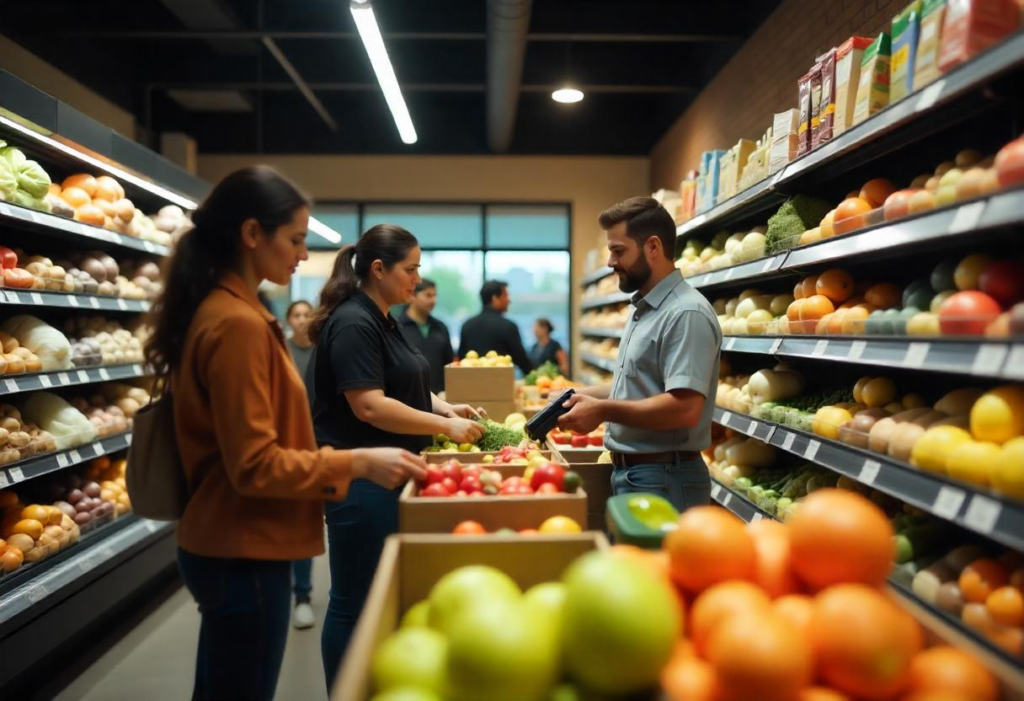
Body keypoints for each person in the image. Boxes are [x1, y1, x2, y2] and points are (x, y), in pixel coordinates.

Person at [145, 165, 426, 701]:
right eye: (296, 239)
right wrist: (357, 463)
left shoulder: (227, 310)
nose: (303, 254)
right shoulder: (236, 324)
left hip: (229, 535)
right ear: (252, 235)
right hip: (244, 541)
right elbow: (254, 464)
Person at [306, 225, 485, 690]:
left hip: (389, 475)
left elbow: (401, 381)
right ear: (379, 269)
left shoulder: (382, 316)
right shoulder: (353, 321)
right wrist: (444, 427)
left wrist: (445, 406)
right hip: (360, 482)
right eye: (411, 269)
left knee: (375, 596)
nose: (417, 278)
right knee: (354, 601)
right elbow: (369, 404)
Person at [557, 196, 721, 513]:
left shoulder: (685, 312)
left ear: (652, 247)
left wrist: (603, 411)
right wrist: (578, 395)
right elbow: (636, 383)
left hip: (665, 479)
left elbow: (684, 408)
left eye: (619, 251)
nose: (610, 262)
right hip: (638, 475)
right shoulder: (645, 310)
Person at [284, 300, 317, 630]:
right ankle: (300, 594)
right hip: (287, 443)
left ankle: (302, 592)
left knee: (308, 516)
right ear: (288, 320)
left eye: (309, 314)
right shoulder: (281, 350)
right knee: (295, 515)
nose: (303, 319)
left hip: (320, 441)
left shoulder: (324, 349)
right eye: (297, 315)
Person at [458, 280, 534, 373]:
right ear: (495, 298)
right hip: (500, 384)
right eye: (505, 296)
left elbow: (461, 359)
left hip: (470, 384)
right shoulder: (508, 326)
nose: (509, 300)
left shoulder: (466, 326)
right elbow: (522, 360)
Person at [397, 278, 454, 393]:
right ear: (413, 295)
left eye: (435, 296)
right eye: (428, 295)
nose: (433, 301)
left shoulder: (440, 327)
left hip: (439, 395)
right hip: (407, 397)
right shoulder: (397, 327)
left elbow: (449, 363)